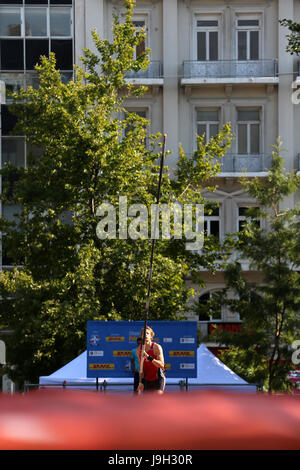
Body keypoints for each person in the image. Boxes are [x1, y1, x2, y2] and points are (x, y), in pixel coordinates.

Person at [137, 326, 165, 394]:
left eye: (147, 333)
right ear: (141, 336)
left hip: (158, 378)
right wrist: (140, 382)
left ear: (151, 336)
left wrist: (149, 357)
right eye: (144, 334)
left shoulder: (156, 347)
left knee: (157, 398)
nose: (145, 335)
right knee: (148, 402)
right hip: (147, 379)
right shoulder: (139, 350)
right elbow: (141, 369)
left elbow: (161, 365)